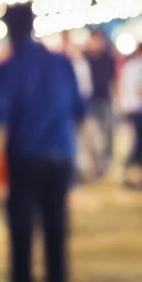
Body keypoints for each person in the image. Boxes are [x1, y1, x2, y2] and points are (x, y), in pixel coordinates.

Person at [0, 5, 86, 282]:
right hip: (60, 157)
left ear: (8, 30)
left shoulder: (7, 69)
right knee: (56, 232)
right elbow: (79, 112)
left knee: (21, 238)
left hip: (25, 160)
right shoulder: (61, 63)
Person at [60, 31, 97, 181]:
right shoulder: (63, 64)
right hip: (69, 108)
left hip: (78, 105)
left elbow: (85, 88)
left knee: (80, 142)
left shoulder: (79, 64)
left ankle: (80, 173)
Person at [120, 43, 142, 190]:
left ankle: (132, 176)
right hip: (139, 109)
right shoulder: (141, 66)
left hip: (131, 109)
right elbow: (140, 89)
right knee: (139, 144)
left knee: (137, 143)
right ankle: (138, 177)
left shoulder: (130, 66)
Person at [84, 30, 117, 173]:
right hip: (90, 100)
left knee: (107, 132)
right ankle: (94, 163)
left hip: (105, 99)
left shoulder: (108, 58)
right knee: (91, 134)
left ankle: (106, 162)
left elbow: (114, 78)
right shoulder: (85, 58)